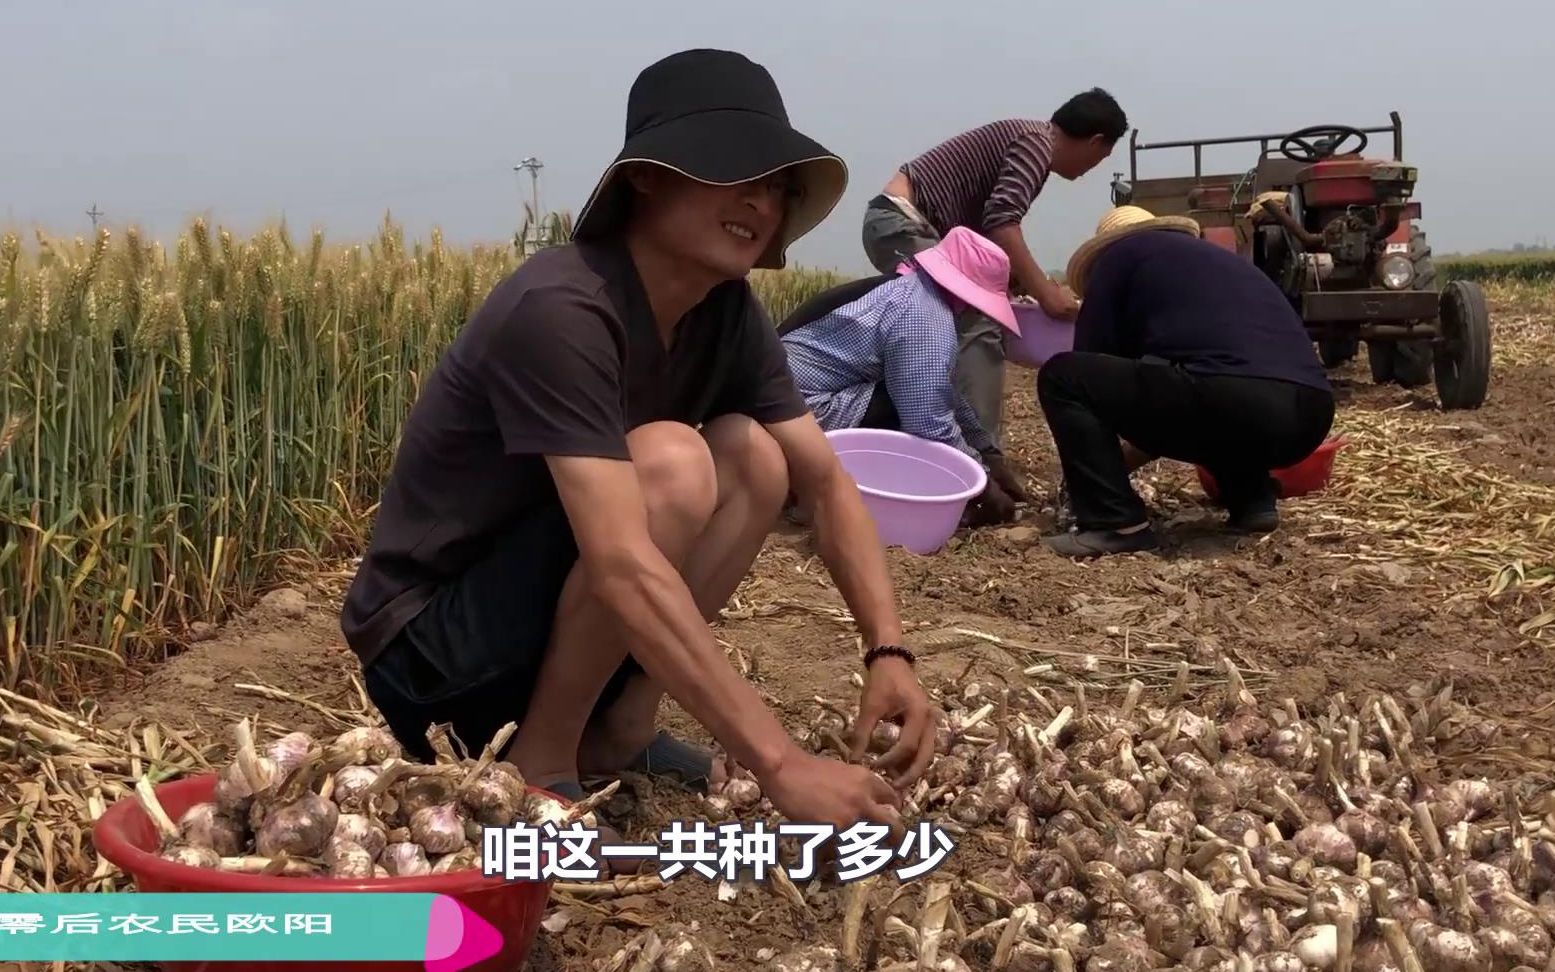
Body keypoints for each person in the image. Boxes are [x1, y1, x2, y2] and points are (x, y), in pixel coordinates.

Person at [338, 49, 938, 861]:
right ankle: (542, 766)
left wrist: (888, 648)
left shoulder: (725, 312)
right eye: (734, 172)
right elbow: (620, 562)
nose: (761, 200)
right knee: (672, 461)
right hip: (434, 656)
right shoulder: (562, 306)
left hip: (549, 630)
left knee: (753, 455)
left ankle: (617, 728)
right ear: (647, 179)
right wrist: (781, 763)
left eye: (777, 184)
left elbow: (821, 479)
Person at [1036, 205, 1336, 558]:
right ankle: (1253, 502)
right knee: (1213, 390)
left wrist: (1094, 472)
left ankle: (1113, 523)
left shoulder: (1116, 258)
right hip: (1313, 413)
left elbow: (1092, 364)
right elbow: (1178, 393)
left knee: (1064, 377)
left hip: (1235, 398)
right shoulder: (1216, 263)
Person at [860, 89, 1130, 450]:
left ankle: (931, 438)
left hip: (903, 226)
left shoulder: (1031, 141)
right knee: (977, 316)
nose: (1088, 171)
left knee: (939, 329)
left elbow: (988, 230)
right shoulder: (1037, 144)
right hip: (901, 224)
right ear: (1095, 142)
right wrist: (1046, 293)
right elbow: (1002, 222)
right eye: (1099, 158)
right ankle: (982, 457)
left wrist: (1014, 280)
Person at [778, 227, 1032, 526]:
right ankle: (816, 497)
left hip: (785, 403)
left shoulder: (912, 292)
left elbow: (943, 390)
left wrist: (988, 452)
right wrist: (984, 489)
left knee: (910, 395)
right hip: (800, 415)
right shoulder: (925, 317)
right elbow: (928, 421)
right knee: (904, 413)